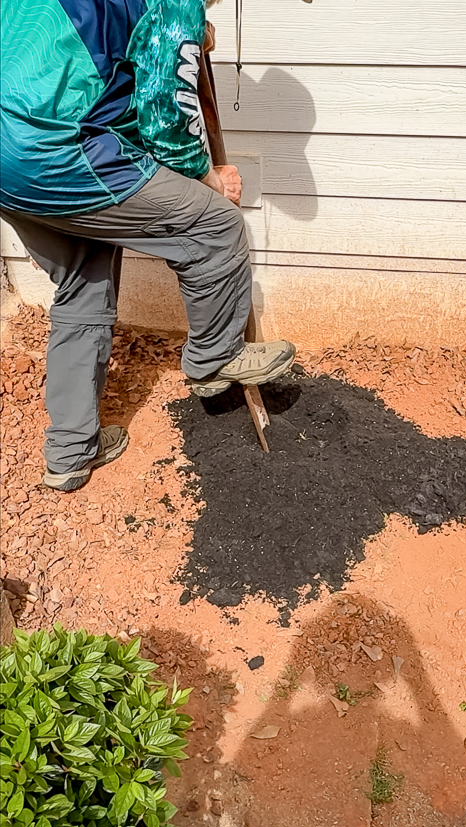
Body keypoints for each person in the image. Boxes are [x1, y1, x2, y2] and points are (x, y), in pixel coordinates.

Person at [0, 0, 295, 493]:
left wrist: (176, 39)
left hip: (9, 157)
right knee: (215, 225)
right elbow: (164, 117)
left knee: (83, 282)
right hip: (58, 151)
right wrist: (208, 176)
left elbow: (87, 73)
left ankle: (71, 452)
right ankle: (215, 357)